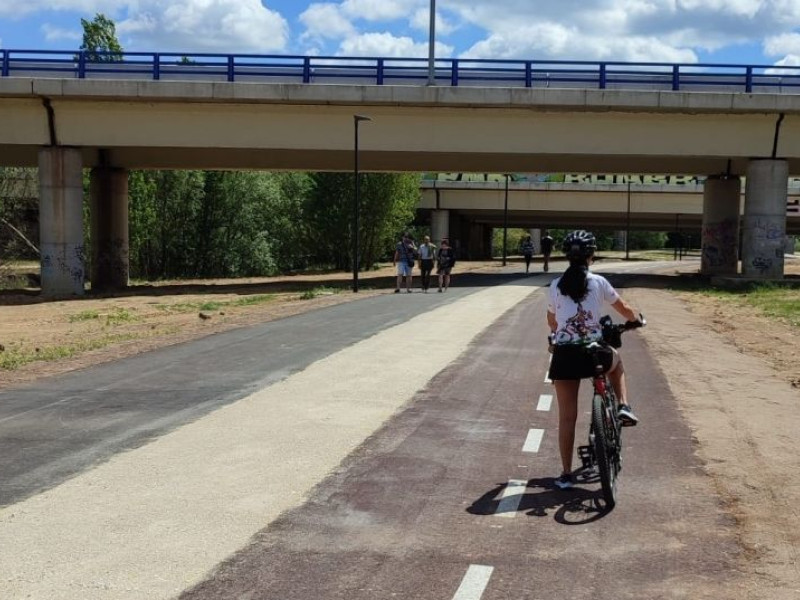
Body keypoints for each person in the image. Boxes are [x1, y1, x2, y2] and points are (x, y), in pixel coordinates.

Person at [546, 230, 643, 490]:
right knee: (616, 360)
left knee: (567, 417)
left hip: (565, 355)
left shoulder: (555, 286)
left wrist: (557, 335)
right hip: (593, 353)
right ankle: (623, 406)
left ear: (567, 255)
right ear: (592, 255)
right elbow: (623, 308)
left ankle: (566, 474)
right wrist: (636, 318)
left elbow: (553, 321)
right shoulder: (598, 282)